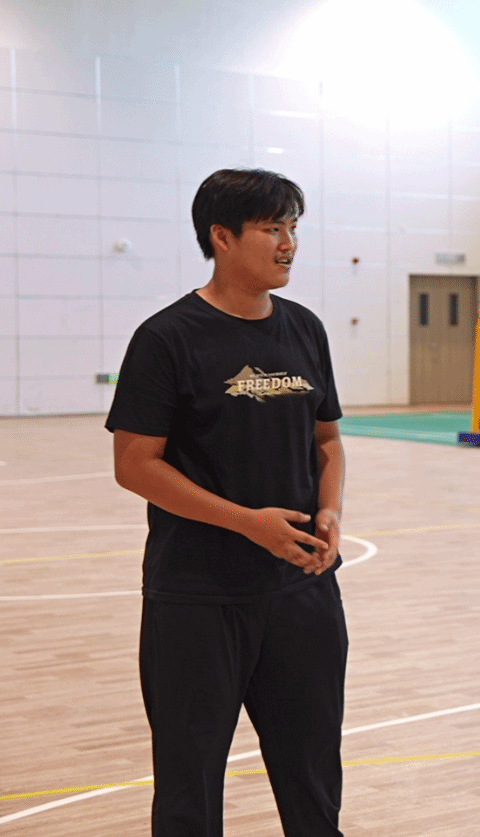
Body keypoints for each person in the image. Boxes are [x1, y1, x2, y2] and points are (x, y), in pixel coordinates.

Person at [106, 168, 348, 837]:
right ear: (221, 236)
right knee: (189, 787)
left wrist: (329, 513)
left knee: (313, 777)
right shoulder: (167, 338)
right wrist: (248, 524)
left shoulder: (305, 329)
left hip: (302, 594)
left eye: (293, 228)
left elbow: (327, 441)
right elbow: (134, 464)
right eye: (272, 228)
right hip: (197, 599)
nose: (289, 243)